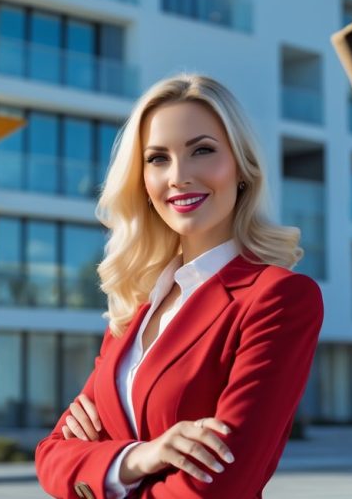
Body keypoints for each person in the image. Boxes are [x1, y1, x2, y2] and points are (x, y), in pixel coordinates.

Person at [35, 73, 324, 498]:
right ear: (142, 181)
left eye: (202, 151)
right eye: (157, 159)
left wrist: (102, 467)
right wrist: (140, 457)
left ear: (242, 167)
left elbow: (223, 484)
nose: (178, 176)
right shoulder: (136, 307)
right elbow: (51, 455)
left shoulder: (276, 297)